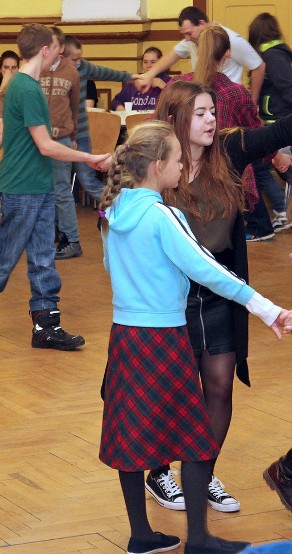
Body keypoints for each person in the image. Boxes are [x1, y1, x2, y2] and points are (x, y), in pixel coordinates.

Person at [98, 119, 287, 554]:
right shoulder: (164, 214)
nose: (183, 168)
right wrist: (265, 307)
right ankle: (199, 539)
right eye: (179, 161)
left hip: (125, 336)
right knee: (193, 435)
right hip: (164, 337)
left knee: (132, 435)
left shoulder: (113, 211)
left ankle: (141, 536)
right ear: (158, 165)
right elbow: (206, 268)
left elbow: (112, 269)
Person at [141, 81, 292, 516]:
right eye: (201, 113)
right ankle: (160, 472)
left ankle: (201, 475)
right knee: (173, 389)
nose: (211, 120)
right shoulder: (156, 161)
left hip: (223, 291)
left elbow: (283, 131)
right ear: (175, 120)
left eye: (213, 112)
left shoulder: (229, 150)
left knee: (220, 387)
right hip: (171, 296)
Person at [0, 24, 109, 346]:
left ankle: (46, 325)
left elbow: (4, 132)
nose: (59, 54)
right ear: (45, 49)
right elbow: (45, 145)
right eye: (56, 49)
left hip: (38, 186)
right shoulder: (27, 88)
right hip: (23, 189)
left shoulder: (24, 86)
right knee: (4, 254)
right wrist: (87, 157)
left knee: (43, 256)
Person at [169, 24, 278, 243]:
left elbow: (157, 126)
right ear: (227, 54)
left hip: (182, 174)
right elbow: (255, 136)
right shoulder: (236, 93)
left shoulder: (177, 85)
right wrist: (274, 155)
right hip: (225, 179)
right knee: (225, 243)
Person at [137, 7, 265, 104]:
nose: (186, 39)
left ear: (202, 23)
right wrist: (148, 75)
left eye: (189, 33)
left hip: (228, 100)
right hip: (204, 100)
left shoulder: (232, 40)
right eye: (184, 35)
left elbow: (259, 66)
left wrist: (253, 103)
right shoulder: (192, 39)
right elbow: (173, 54)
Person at [63, 35, 136, 205]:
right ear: (62, 56)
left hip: (80, 134)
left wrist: (130, 77)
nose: (79, 62)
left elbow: (106, 72)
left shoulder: (83, 67)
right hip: (62, 136)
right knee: (60, 185)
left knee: (87, 179)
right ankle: (63, 228)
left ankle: (119, 205)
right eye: (74, 59)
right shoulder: (55, 75)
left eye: (80, 58)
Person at [40, 27, 84, 260]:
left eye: (52, 45)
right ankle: (51, 235)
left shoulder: (71, 73)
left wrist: (73, 136)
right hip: (37, 140)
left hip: (62, 139)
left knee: (61, 190)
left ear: (60, 48)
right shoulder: (36, 70)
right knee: (44, 190)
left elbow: (74, 107)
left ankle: (73, 239)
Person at [248, 12, 292, 234]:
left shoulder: (273, 57)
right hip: (275, 120)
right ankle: (281, 209)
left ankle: (281, 209)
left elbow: (287, 87)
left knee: (266, 166)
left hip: (278, 121)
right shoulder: (275, 56)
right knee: (266, 165)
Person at [111, 47, 171, 111]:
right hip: (135, 120)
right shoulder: (136, 81)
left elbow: (179, 103)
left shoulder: (169, 81)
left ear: (161, 63)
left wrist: (164, 86)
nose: (148, 65)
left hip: (158, 120)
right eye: (145, 62)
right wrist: (120, 108)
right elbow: (116, 101)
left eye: (153, 62)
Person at [0, 50, 20, 119]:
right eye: (6, 67)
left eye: (13, 67)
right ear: (0, 69)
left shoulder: (22, 88)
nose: (9, 71)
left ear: (18, 69)